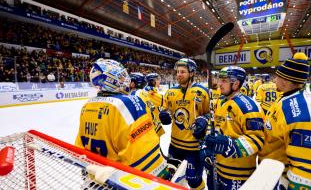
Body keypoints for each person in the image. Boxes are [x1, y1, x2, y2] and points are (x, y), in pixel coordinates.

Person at [75, 59, 173, 180]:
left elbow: (79, 147)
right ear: (110, 80)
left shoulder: (86, 106)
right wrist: (162, 173)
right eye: (121, 77)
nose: (125, 80)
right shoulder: (128, 103)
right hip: (122, 180)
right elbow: (143, 153)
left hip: (96, 178)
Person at [259, 53, 311, 190]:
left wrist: (301, 184)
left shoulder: (298, 109)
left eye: (278, 76)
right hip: (276, 171)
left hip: (291, 178)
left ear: (286, 81)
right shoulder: (290, 99)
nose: (274, 80)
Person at [194, 66, 265, 190]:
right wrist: (204, 122)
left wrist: (231, 145)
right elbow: (214, 124)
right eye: (220, 79)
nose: (219, 84)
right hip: (218, 168)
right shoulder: (220, 102)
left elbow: (257, 139)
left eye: (224, 81)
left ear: (236, 84)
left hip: (239, 175)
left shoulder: (248, 106)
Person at [161, 58, 210, 189]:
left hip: (194, 148)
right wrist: (164, 115)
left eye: (183, 72)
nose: (179, 74)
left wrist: (204, 120)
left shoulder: (202, 92)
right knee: (172, 177)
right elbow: (166, 111)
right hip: (174, 146)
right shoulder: (170, 92)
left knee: (194, 180)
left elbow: (210, 114)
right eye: (177, 72)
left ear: (192, 73)